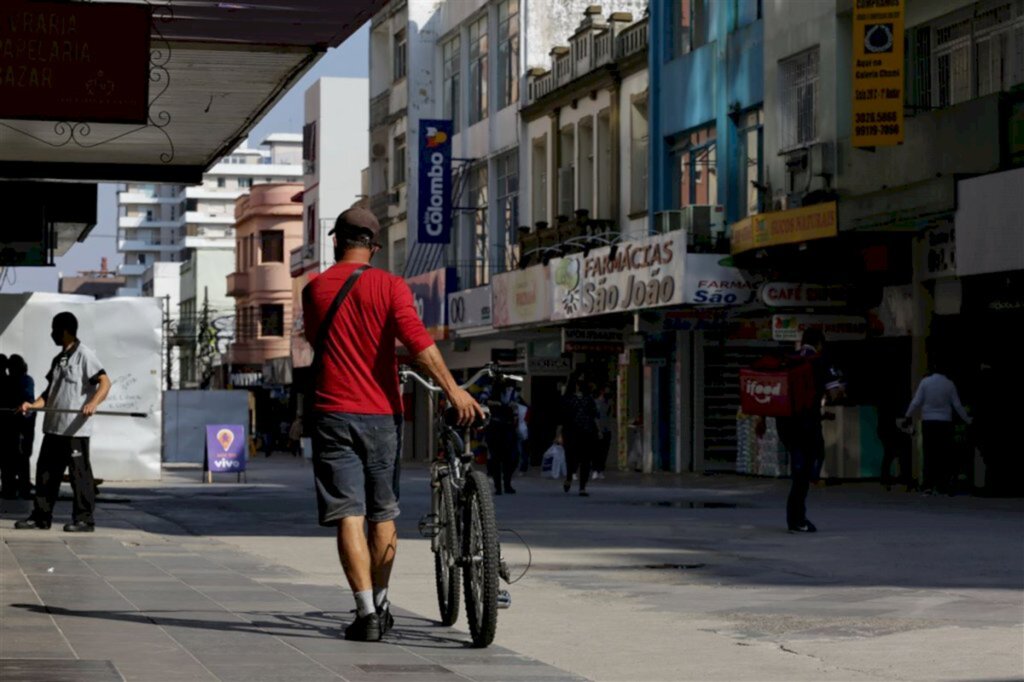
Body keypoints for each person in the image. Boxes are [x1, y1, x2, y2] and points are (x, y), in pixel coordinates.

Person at [303, 208, 483, 642]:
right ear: (375, 247)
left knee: (349, 514)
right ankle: (382, 603)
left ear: (335, 242)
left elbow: (316, 342)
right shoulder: (390, 286)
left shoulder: (314, 290)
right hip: (382, 414)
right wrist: (452, 389)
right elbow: (419, 343)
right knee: (382, 513)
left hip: (331, 412)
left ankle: (366, 614)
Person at [15, 312, 111, 533]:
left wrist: (93, 403)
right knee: (46, 474)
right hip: (53, 427)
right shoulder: (58, 359)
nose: (51, 334)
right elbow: (49, 394)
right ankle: (41, 518)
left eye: (54, 330)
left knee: (80, 476)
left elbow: (105, 383)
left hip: (75, 429)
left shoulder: (85, 355)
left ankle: (84, 520)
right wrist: (31, 405)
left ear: (65, 331)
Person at [776, 328, 845, 533]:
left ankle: (796, 516)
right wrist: (840, 389)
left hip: (785, 424)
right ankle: (797, 519)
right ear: (820, 344)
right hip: (807, 423)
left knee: (799, 465)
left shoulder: (788, 360)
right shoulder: (821, 361)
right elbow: (834, 394)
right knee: (805, 469)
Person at [903, 360, 972, 495]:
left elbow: (916, 401)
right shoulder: (949, 384)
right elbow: (957, 405)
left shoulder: (925, 382)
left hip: (929, 421)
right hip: (945, 422)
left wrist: (907, 415)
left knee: (929, 453)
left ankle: (928, 484)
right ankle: (942, 485)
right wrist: (967, 419)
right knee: (944, 454)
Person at [558, 372, 599, 497]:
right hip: (571, 431)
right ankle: (569, 476)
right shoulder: (567, 398)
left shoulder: (588, 398)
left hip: (587, 431)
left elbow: (594, 415)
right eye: (578, 381)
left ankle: (582, 487)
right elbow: (562, 417)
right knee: (571, 458)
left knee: (586, 459)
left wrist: (598, 430)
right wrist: (558, 433)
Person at [8, 355, 37, 499]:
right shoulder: (25, 380)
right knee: (20, 457)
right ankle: (20, 486)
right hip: (22, 424)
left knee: (18, 456)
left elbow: (28, 400)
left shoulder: (22, 381)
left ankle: (16, 487)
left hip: (20, 424)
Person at [482, 380, 518, 495]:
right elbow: (482, 400)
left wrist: (513, 406)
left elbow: (516, 404)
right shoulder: (489, 388)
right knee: (495, 458)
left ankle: (507, 484)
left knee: (510, 458)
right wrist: (492, 403)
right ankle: (498, 486)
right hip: (495, 426)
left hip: (508, 427)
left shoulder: (512, 391)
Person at [592, 385, 613, 481]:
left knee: (604, 451)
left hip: (607, 430)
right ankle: (595, 470)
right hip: (598, 430)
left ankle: (600, 470)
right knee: (597, 451)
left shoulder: (607, 403)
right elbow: (595, 418)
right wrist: (598, 430)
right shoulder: (596, 403)